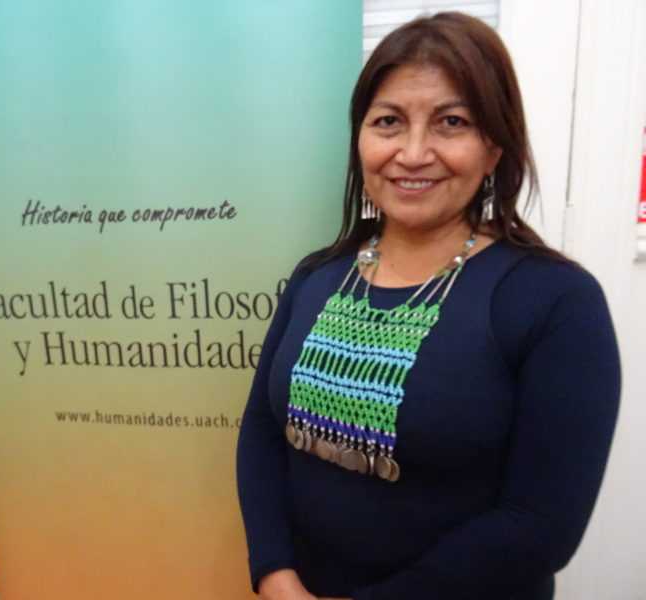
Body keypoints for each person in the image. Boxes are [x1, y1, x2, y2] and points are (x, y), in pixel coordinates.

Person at [235, 11, 620, 600]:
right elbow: (262, 432)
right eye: (388, 121)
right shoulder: (317, 277)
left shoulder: (556, 302)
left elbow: (539, 525)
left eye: (451, 122)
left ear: (494, 147)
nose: (413, 153)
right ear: (361, 137)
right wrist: (274, 575)